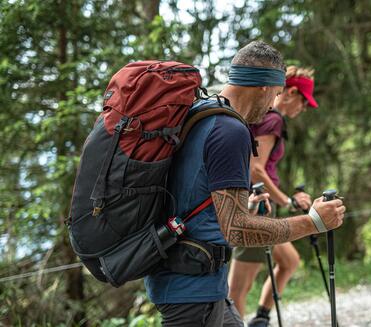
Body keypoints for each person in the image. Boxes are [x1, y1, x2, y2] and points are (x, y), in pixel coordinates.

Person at [144, 41, 345, 327]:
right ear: (264, 86)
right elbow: (237, 230)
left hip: (192, 280)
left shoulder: (201, 112)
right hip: (192, 291)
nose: (271, 107)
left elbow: (194, 190)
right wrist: (314, 222)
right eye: (275, 94)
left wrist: (243, 204)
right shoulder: (230, 130)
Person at [228, 66, 319, 326]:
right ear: (291, 92)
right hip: (258, 206)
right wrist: (287, 201)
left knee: (289, 261)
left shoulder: (263, 115)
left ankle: (261, 318)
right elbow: (255, 168)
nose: (303, 109)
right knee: (238, 289)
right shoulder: (274, 118)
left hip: (262, 203)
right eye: (304, 101)